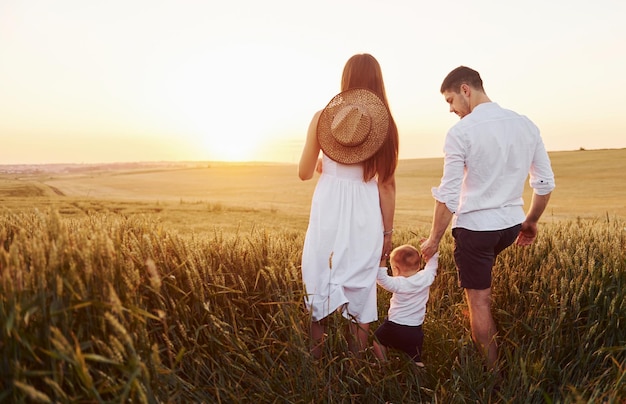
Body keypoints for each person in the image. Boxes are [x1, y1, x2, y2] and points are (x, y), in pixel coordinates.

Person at [420, 66, 555, 371]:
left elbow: (449, 196)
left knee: (479, 303)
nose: (452, 109)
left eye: (451, 100)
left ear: (466, 89)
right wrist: (530, 221)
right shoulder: (525, 124)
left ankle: (491, 378)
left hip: (476, 231)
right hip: (509, 227)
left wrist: (432, 240)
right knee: (483, 290)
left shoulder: (460, 133)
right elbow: (544, 183)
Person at [299, 53, 399, 359]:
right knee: (361, 284)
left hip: (328, 207)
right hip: (366, 213)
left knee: (318, 277)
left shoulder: (322, 118)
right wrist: (387, 233)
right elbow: (386, 185)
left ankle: (317, 364)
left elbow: (303, 173)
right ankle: (356, 367)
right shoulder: (386, 127)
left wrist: (322, 163)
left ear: (346, 80)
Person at [373, 244, 439, 367]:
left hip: (395, 325)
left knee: (378, 340)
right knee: (415, 355)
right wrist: (432, 253)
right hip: (415, 328)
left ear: (396, 269)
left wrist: (382, 260)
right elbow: (432, 266)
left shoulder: (399, 283)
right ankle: (419, 376)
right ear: (419, 265)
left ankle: (382, 364)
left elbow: (381, 278)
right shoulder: (426, 277)